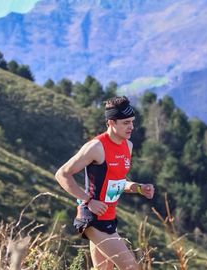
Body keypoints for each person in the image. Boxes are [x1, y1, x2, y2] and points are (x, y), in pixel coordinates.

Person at [55, 96, 154, 270]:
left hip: (109, 217)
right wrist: (88, 200)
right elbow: (62, 174)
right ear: (111, 122)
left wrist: (138, 188)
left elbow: (117, 182)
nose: (131, 127)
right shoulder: (96, 147)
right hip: (92, 218)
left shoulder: (127, 146)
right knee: (131, 267)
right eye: (125, 123)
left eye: (132, 122)